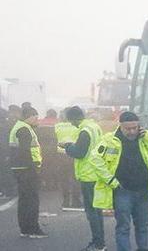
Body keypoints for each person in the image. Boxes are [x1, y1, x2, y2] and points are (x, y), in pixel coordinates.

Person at [88, 111, 148, 251]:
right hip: (122, 191)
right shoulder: (109, 140)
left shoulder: (145, 137)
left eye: (134, 128)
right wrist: (111, 181)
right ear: (120, 126)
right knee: (123, 227)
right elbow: (95, 159)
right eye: (127, 128)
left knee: (142, 226)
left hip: (143, 191)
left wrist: (147, 137)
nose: (131, 132)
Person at [61, 106, 105, 251]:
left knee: (92, 212)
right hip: (97, 173)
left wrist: (67, 146)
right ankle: (100, 242)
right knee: (97, 211)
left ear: (74, 119)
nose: (71, 124)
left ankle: (98, 244)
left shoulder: (85, 131)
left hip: (88, 175)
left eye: (71, 121)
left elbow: (80, 153)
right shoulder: (95, 127)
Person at [9, 106, 47, 238]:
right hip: (27, 169)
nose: (37, 120)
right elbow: (25, 151)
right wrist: (34, 168)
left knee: (24, 200)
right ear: (29, 117)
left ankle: (25, 228)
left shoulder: (19, 127)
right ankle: (33, 229)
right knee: (32, 200)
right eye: (36, 118)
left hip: (20, 168)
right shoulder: (24, 129)